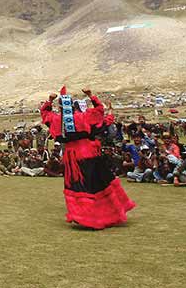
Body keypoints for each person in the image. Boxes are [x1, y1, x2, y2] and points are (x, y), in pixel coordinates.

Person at [40, 87, 135, 229]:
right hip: (90, 152)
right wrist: (91, 95)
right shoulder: (83, 117)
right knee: (98, 183)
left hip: (72, 156)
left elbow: (45, 114)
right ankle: (108, 213)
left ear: (60, 107)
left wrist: (49, 100)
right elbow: (99, 111)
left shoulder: (56, 120)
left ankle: (85, 217)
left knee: (79, 185)